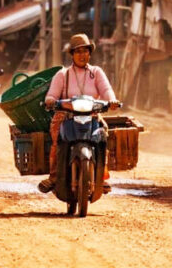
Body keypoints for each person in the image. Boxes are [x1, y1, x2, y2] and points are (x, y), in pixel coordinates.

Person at [39, 34, 119, 194]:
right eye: (78, 51)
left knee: (102, 138)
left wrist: (112, 100)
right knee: (58, 142)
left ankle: (101, 177)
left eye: (85, 51)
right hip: (66, 116)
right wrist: (50, 100)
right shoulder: (63, 74)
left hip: (92, 115)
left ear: (90, 53)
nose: (82, 55)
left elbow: (106, 90)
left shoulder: (96, 72)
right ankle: (54, 177)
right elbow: (52, 95)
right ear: (72, 54)